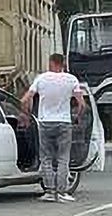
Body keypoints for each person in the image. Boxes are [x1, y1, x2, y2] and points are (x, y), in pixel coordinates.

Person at [21, 52, 85, 203]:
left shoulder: (41, 79)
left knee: (46, 158)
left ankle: (49, 192)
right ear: (63, 64)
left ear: (51, 63)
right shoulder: (71, 80)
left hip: (45, 123)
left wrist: (28, 115)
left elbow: (24, 100)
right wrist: (77, 117)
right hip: (64, 123)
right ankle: (62, 192)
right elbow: (82, 104)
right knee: (63, 158)